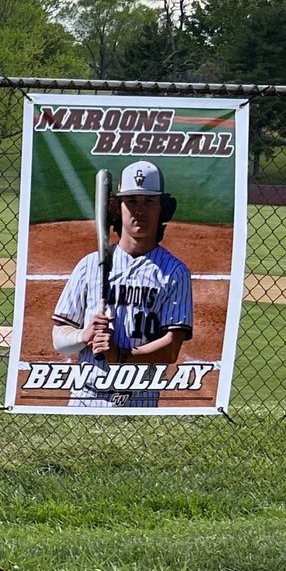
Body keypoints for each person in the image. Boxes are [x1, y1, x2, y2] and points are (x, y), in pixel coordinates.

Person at [52, 160, 193, 408]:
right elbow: (59, 340)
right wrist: (84, 335)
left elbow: (171, 349)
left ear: (162, 209)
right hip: (87, 398)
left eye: (149, 201)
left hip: (141, 399)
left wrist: (121, 356)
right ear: (118, 208)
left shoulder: (175, 272)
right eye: (132, 201)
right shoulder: (89, 265)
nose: (140, 210)